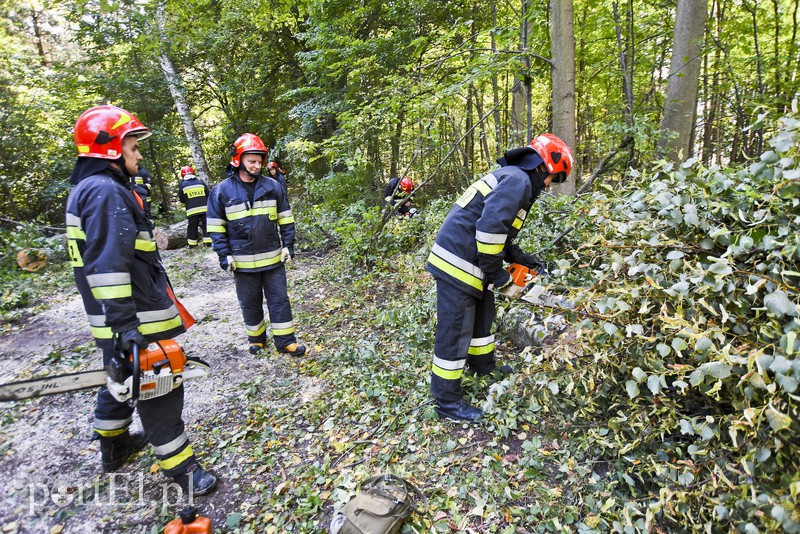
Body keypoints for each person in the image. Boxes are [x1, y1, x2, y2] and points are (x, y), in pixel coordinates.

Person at [66, 105, 217, 495]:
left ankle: (113, 444)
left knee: (120, 379)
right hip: (135, 318)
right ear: (111, 149)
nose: (137, 155)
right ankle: (182, 468)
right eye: (132, 146)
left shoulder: (89, 189)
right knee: (159, 386)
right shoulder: (105, 191)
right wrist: (127, 327)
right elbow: (108, 266)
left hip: (116, 317)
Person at [425, 133, 574, 421]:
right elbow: (489, 229)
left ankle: (483, 368)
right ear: (543, 166)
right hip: (459, 261)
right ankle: (447, 402)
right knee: (456, 331)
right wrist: (498, 275)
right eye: (551, 178)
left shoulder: (514, 178)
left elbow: (499, 231)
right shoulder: (518, 181)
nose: (548, 185)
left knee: (483, 317)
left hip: (473, 260)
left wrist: (518, 257)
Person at [207, 133, 306, 356]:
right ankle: (256, 339)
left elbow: (286, 219)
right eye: (252, 161)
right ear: (238, 160)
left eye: (259, 161)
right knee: (250, 302)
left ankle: (286, 341)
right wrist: (224, 255)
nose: (257, 165)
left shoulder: (273, 187)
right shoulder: (222, 191)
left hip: (273, 259)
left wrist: (288, 245)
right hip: (242, 262)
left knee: (279, 300)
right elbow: (215, 227)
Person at [178, 165, 211, 247]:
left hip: (192, 210)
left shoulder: (183, 185)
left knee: (192, 227)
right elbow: (208, 194)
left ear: (183, 175)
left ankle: (193, 245)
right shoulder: (201, 182)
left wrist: (186, 204)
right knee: (206, 225)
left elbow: (182, 199)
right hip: (205, 209)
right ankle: (208, 243)